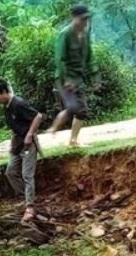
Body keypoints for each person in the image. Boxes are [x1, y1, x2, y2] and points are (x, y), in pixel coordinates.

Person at [0, 79, 43, 222]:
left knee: (27, 174)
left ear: (4, 92)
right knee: (10, 172)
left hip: (28, 144)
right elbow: (14, 127)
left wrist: (30, 135)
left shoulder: (19, 103)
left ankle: (30, 207)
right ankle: (24, 197)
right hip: (17, 144)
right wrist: (13, 143)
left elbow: (38, 116)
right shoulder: (6, 107)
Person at [48, 4, 97, 148]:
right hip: (64, 78)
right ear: (74, 18)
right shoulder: (66, 34)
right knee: (76, 107)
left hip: (78, 78)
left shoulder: (86, 35)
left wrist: (95, 77)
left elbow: (89, 58)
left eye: (87, 19)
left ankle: (70, 139)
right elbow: (60, 59)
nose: (84, 22)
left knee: (80, 110)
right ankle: (59, 131)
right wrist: (67, 79)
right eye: (82, 19)